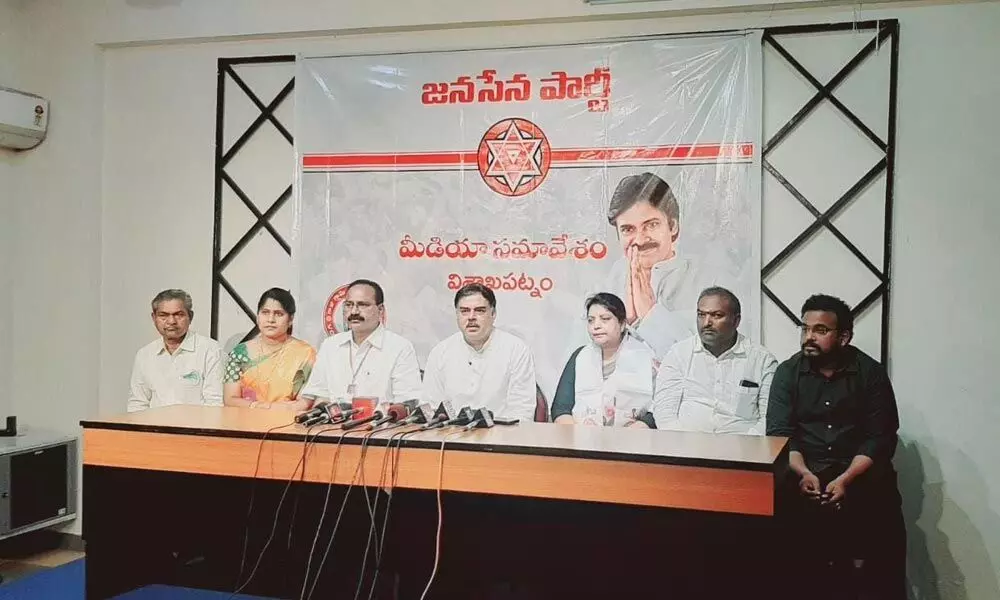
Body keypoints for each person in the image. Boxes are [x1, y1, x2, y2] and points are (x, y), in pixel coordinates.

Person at [766, 294, 905, 598]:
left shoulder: (870, 373)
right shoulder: (788, 373)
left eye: (820, 330)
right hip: (806, 473)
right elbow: (781, 434)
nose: (809, 337)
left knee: (877, 552)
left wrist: (846, 480)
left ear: (844, 337)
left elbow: (880, 438)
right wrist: (803, 473)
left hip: (859, 475)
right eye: (805, 329)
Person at [603, 172, 714, 359]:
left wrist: (650, 314)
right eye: (628, 229)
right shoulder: (610, 280)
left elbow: (703, 359)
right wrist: (623, 325)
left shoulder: (707, 282)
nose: (639, 239)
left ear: (673, 226)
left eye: (651, 225)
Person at [648, 287, 776, 434]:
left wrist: (745, 448)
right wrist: (683, 447)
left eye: (717, 315)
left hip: (743, 450)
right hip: (687, 447)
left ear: (736, 321)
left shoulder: (762, 360)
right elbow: (665, 413)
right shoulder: (678, 354)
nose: (706, 322)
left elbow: (768, 418)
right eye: (701, 315)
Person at [422, 283, 536, 421]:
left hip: (501, 437)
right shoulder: (440, 352)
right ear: (457, 315)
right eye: (464, 311)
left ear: (493, 314)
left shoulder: (516, 350)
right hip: (450, 437)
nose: (471, 317)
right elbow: (431, 408)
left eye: (479, 310)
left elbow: (522, 413)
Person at [300, 279, 422, 405]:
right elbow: (318, 395)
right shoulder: (330, 345)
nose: (354, 312)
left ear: (380, 310)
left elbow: (407, 403)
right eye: (349, 305)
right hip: (333, 424)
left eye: (363, 305)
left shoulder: (399, 348)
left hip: (379, 423)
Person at [550, 293, 656, 428]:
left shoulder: (645, 357)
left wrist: (639, 428)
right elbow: (560, 408)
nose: (596, 326)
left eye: (605, 319)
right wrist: (576, 439)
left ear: (622, 324)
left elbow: (661, 407)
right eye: (591, 320)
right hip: (583, 441)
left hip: (632, 441)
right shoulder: (580, 356)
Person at [128, 289, 223, 412]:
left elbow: (215, 404)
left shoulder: (211, 350)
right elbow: (137, 403)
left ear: (190, 316)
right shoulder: (145, 354)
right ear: (154, 318)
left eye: (178, 315)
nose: (171, 321)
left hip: (195, 429)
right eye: (163, 315)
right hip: (153, 429)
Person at [223, 288, 316, 411]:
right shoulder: (240, 353)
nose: (270, 319)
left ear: (290, 319)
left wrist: (271, 409)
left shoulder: (305, 353)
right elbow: (230, 399)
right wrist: (258, 407)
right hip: (246, 423)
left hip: (288, 424)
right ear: (258, 316)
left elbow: (304, 403)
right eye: (265, 312)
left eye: (278, 314)